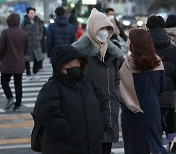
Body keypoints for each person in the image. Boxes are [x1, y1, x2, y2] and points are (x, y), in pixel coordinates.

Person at [32, 44, 110, 154]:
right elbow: (46, 113)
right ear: (60, 67)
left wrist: (103, 123)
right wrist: (68, 132)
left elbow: (103, 100)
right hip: (63, 147)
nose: (76, 67)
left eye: (78, 63)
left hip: (92, 145)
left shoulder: (87, 83)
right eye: (70, 64)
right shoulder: (51, 87)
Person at [72, 8, 124, 154]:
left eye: (108, 29)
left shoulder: (114, 54)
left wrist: (116, 95)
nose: (105, 32)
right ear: (92, 28)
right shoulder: (79, 53)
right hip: (89, 114)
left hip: (110, 110)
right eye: (101, 28)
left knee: (107, 147)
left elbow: (117, 79)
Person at [119, 28, 165, 154]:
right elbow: (162, 87)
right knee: (154, 146)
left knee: (133, 147)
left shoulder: (125, 65)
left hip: (131, 113)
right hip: (152, 110)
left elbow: (119, 91)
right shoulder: (157, 62)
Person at [146, 15, 176, 153]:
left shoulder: (144, 46)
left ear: (148, 27)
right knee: (171, 128)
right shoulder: (172, 47)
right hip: (170, 97)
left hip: (149, 96)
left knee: (153, 132)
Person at [0, 13, 28, 112]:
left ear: (8, 21)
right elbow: (26, 49)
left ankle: (10, 97)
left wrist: (0, 58)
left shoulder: (5, 32)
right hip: (19, 62)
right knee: (18, 84)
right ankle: (18, 106)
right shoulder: (23, 33)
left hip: (7, 62)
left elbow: (1, 47)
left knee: (4, 81)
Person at [21, 7, 44, 80]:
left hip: (37, 44)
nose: (32, 14)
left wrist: (39, 38)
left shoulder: (38, 21)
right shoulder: (24, 22)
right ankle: (28, 74)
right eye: (30, 13)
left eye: (33, 13)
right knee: (26, 59)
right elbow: (21, 31)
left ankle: (35, 73)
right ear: (27, 14)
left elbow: (41, 31)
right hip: (27, 44)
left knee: (37, 59)